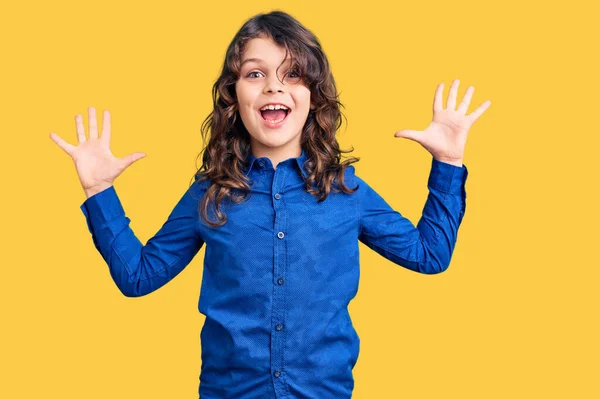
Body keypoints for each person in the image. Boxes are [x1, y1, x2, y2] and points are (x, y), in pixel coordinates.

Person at [49, 10, 490, 399]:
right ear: (233, 95)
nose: (273, 86)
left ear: (314, 95)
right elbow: (137, 276)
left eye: (292, 74)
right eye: (255, 74)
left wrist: (448, 164)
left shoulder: (347, 192)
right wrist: (98, 192)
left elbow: (430, 256)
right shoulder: (208, 195)